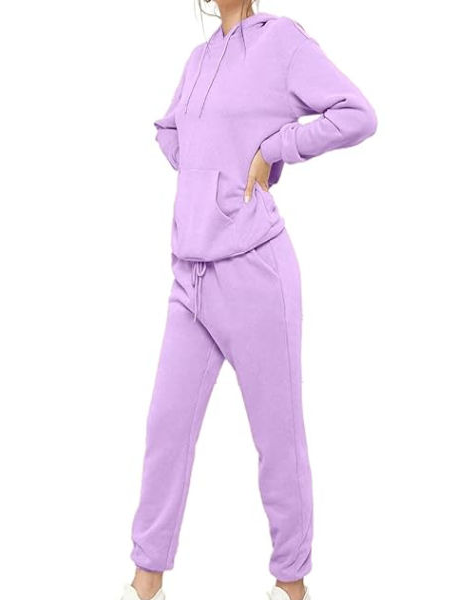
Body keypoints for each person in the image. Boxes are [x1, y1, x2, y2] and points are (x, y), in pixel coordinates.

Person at [121, 2, 377, 600]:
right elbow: (169, 130)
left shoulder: (279, 41)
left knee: (276, 438)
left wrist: (276, 147)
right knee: (165, 428)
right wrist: (206, 180)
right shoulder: (199, 57)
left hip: (255, 269)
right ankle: (145, 582)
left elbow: (357, 114)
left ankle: (290, 583)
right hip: (190, 271)